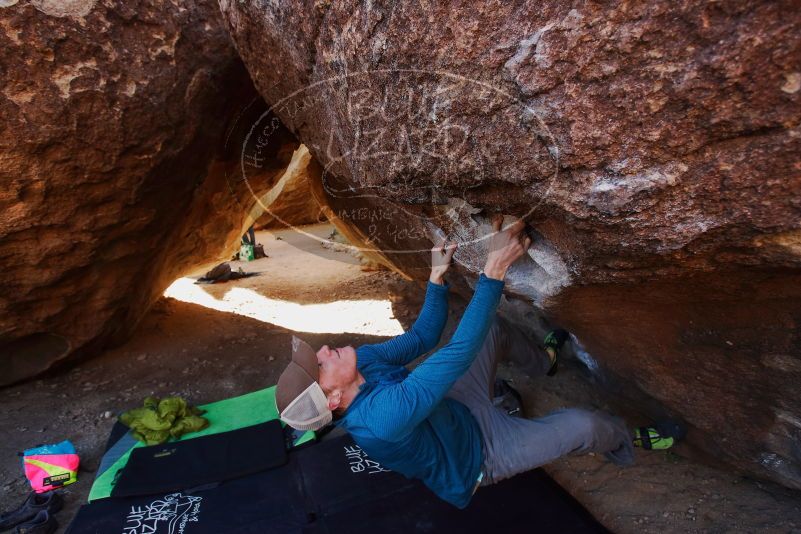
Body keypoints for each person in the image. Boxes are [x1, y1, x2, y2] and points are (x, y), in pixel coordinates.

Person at [275, 216, 680, 509]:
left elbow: (422, 339)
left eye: (320, 354)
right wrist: (494, 268)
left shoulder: (361, 362)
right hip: (480, 455)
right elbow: (455, 354)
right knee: (585, 425)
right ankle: (626, 443)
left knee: (491, 331)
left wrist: (435, 280)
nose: (326, 350)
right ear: (332, 399)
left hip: (451, 409)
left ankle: (545, 363)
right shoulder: (381, 420)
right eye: (321, 364)